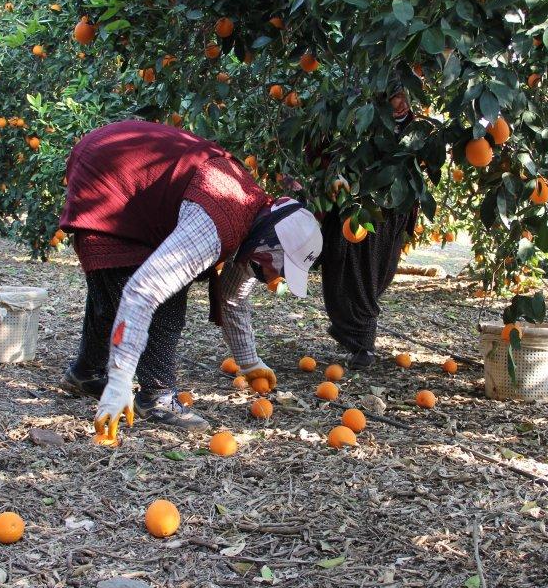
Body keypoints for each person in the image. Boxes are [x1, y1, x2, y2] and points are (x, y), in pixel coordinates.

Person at [59, 120, 323, 433]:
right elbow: (142, 292)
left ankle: (86, 373)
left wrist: (249, 362)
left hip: (114, 165)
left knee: (111, 288)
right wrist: (120, 379)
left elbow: (232, 297)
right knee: (164, 299)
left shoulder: (251, 215)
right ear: (268, 246)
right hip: (110, 173)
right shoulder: (218, 220)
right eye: (276, 269)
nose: (271, 280)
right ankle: (157, 397)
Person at [318, 82, 445, 369]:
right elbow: (337, 154)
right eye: (393, 97)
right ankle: (352, 334)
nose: (399, 103)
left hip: (389, 212)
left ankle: (362, 340)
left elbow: (422, 169)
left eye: (403, 97)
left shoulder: (420, 129)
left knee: (373, 274)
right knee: (340, 266)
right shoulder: (365, 119)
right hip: (354, 205)